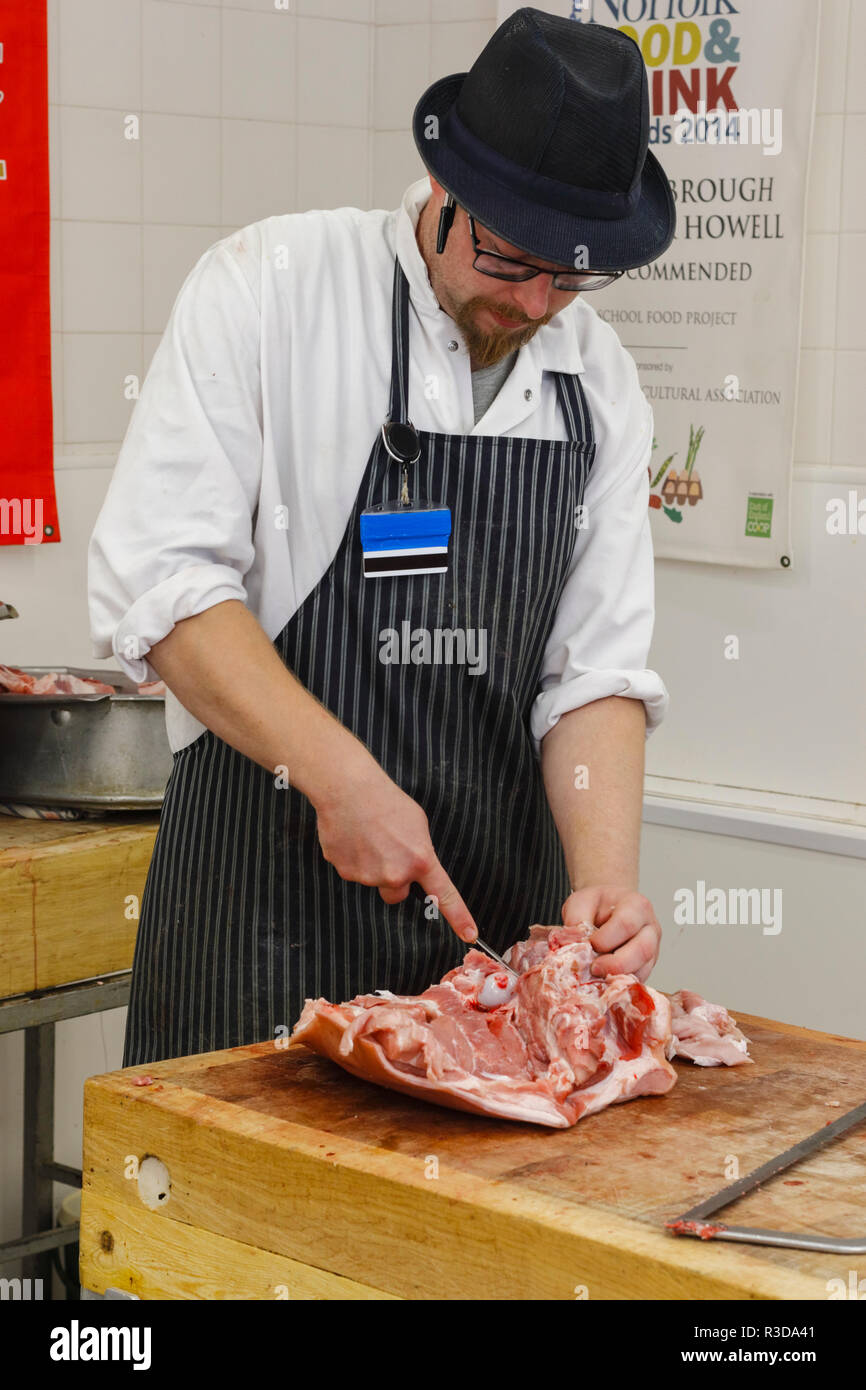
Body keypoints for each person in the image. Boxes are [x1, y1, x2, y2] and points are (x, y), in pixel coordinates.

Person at [88, 9, 675, 1067]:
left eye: (571, 275)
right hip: (258, 933)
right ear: (447, 189)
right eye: (511, 260)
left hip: (489, 950)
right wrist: (338, 779)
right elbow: (163, 585)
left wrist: (604, 876)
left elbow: (593, 671)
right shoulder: (270, 290)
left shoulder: (598, 380)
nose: (538, 301)